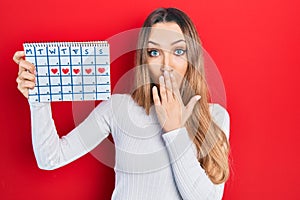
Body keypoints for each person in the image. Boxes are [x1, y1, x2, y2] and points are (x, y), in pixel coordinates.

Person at [13, 7, 230, 200]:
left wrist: (174, 131)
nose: (166, 65)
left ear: (192, 56)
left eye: (178, 51)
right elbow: (50, 158)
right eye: (154, 52)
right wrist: (38, 96)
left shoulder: (214, 116)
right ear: (145, 59)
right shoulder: (118, 109)